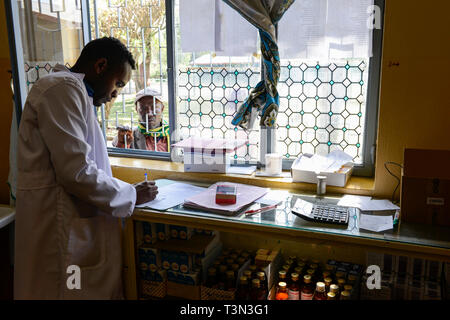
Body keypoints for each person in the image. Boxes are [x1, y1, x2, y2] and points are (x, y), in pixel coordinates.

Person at [14, 37, 158, 299]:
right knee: (68, 290)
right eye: (118, 83)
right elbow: (76, 173)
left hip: (74, 226)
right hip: (60, 227)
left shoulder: (74, 92)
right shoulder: (61, 89)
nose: (116, 94)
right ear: (101, 66)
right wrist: (132, 194)